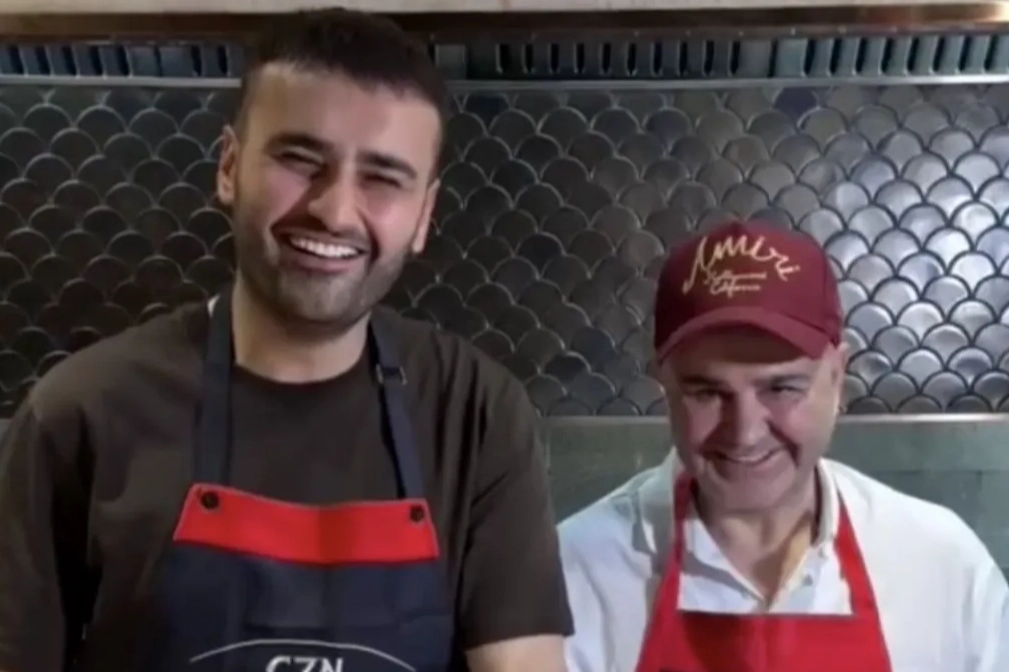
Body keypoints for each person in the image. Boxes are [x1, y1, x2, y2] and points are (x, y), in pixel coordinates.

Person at [0, 9, 572, 672]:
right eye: (300, 160)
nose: (334, 210)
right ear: (229, 166)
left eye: (383, 178)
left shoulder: (476, 414)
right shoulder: (82, 414)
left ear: (424, 215)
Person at [559, 220, 1009, 672]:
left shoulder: (939, 564)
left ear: (837, 376)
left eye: (781, 388)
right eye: (706, 392)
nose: (745, 433)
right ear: (664, 382)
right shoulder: (575, 575)